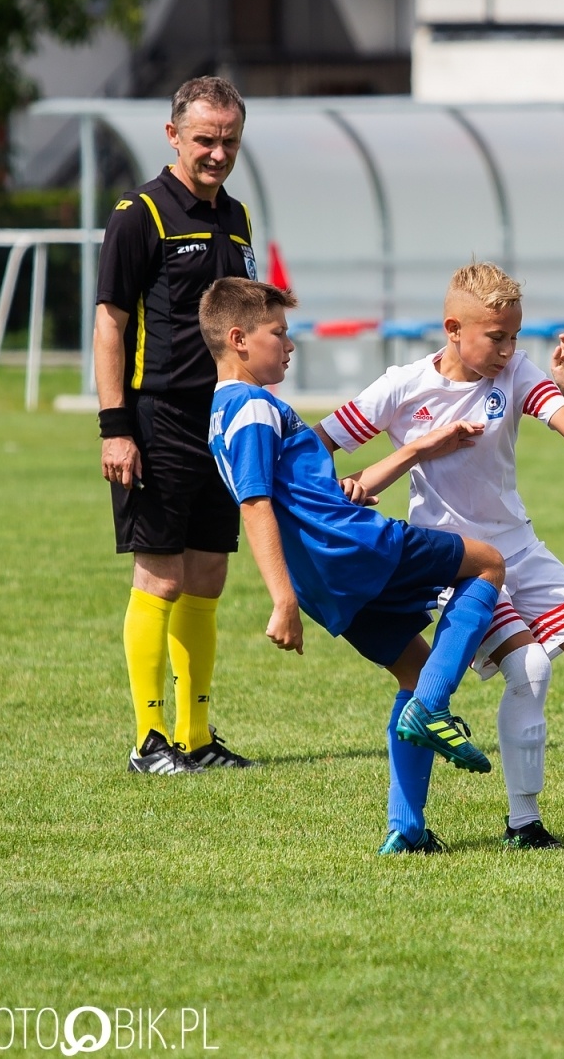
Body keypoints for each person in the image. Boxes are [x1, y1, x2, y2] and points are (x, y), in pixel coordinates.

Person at [318, 262, 564, 851]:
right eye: (496, 336)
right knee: (530, 669)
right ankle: (523, 824)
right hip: (456, 563)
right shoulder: (402, 386)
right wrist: (375, 472)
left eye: (515, 336)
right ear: (453, 328)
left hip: (520, 547)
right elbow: (316, 448)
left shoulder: (516, 373)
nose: (508, 348)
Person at [202, 277, 504, 852]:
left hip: (326, 581)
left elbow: (292, 494)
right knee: (487, 563)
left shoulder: (222, 412)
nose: (289, 346)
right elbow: (256, 503)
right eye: (278, 334)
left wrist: (408, 453)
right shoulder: (253, 408)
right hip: (350, 549)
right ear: (238, 339)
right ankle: (433, 711)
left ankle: (408, 830)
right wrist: (280, 600)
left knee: (415, 670)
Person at [95, 76, 258, 773]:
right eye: (204, 139)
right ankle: (148, 740)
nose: (217, 153)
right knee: (159, 579)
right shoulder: (141, 215)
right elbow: (110, 323)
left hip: (221, 421)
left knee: (206, 578)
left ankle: (195, 737)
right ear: (173, 136)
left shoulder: (237, 216)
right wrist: (114, 427)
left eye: (229, 140)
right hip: (156, 418)